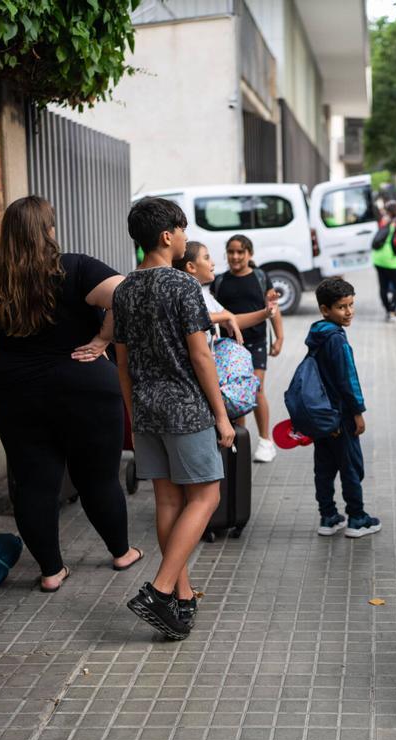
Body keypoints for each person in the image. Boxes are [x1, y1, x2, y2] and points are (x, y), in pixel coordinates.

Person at [0, 196, 143, 591]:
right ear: (48, 231)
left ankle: (51, 572)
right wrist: (103, 338)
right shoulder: (76, 267)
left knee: (33, 484)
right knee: (99, 479)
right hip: (84, 385)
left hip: (15, 390)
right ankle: (121, 552)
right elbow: (127, 296)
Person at [116, 197, 236, 639]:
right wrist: (222, 417)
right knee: (206, 498)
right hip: (186, 406)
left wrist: (133, 411)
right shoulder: (182, 286)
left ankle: (180, 601)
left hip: (146, 407)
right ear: (167, 236)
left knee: (168, 502)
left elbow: (122, 361)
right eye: (183, 230)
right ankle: (161, 588)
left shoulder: (124, 288)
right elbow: (201, 354)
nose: (186, 238)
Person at [305, 278, 382, 539]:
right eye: (341, 307)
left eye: (351, 305)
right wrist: (357, 411)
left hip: (320, 415)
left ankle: (328, 517)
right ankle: (357, 518)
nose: (348, 312)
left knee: (324, 467)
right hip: (340, 415)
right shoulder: (336, 339)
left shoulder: (317, 334)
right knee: (350, 466)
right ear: (325, 309)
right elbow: (348, 379)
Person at [214, 235, 284, 463]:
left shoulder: (261, 277)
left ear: (249, 254)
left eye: (240, 252)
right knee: (234, 393)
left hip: (255, 343)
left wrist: (280, 337)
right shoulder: (220, 281)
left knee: (256, 389)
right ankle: (239, 441)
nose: (235, 257)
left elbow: (272, 308)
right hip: (229, 347)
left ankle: (266, 441)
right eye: (231, 252)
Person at [173, 241, 279, 347]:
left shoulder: (204, 294)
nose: (212, 262)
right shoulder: (182, 294)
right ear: (191, 267)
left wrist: (266, 312)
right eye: (206, 258)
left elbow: (233, 319)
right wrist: (224, 316)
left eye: (240, 252)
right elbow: (192, 318)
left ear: (250, 254)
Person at [371, 201, 396, 321]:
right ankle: (392, 309)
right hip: (392, 260)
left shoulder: (385, 222)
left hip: (378, 258)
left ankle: (387, 310)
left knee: (383, 286)